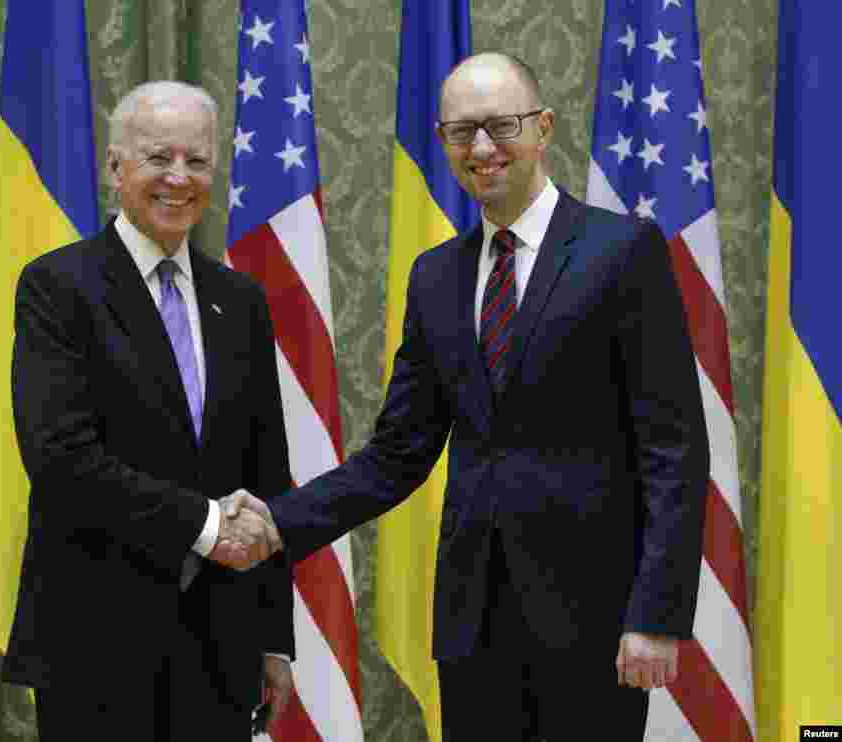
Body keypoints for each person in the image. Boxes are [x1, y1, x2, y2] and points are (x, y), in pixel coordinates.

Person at [229, 53, 709, 741]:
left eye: (500, 126)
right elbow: (397, 454)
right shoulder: (436, 277)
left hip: (595, 625)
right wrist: (279, 522)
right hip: (473, 625)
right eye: (461, 132)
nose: (482, 149)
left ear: (543, 128)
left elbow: (673, 448)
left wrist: (656, 614)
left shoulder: (623, 252)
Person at [2, 80, 295, 740]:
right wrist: (204, 524)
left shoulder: (239, 300)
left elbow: (265, 474)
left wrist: (274, 638)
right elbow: (61, 459)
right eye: (159, 157)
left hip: (220, 648)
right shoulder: (58, 287)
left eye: (196, 161)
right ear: (116, 167)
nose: (178, 178)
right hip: (96, 644)